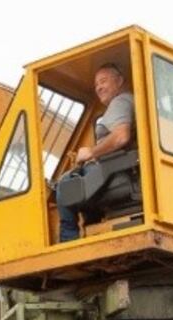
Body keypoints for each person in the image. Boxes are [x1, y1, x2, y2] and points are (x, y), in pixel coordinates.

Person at [58, 63, 135, 242]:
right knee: (82, 185)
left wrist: (90, 153)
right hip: (117, 169)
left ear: (120, 80)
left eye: (103, 81)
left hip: (112, 170)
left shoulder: (121, 101)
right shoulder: (126, 102)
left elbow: (121, 136)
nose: (99, 87)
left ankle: (68, 241)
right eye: (96, 85)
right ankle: (91, 227)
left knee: (64, 185)